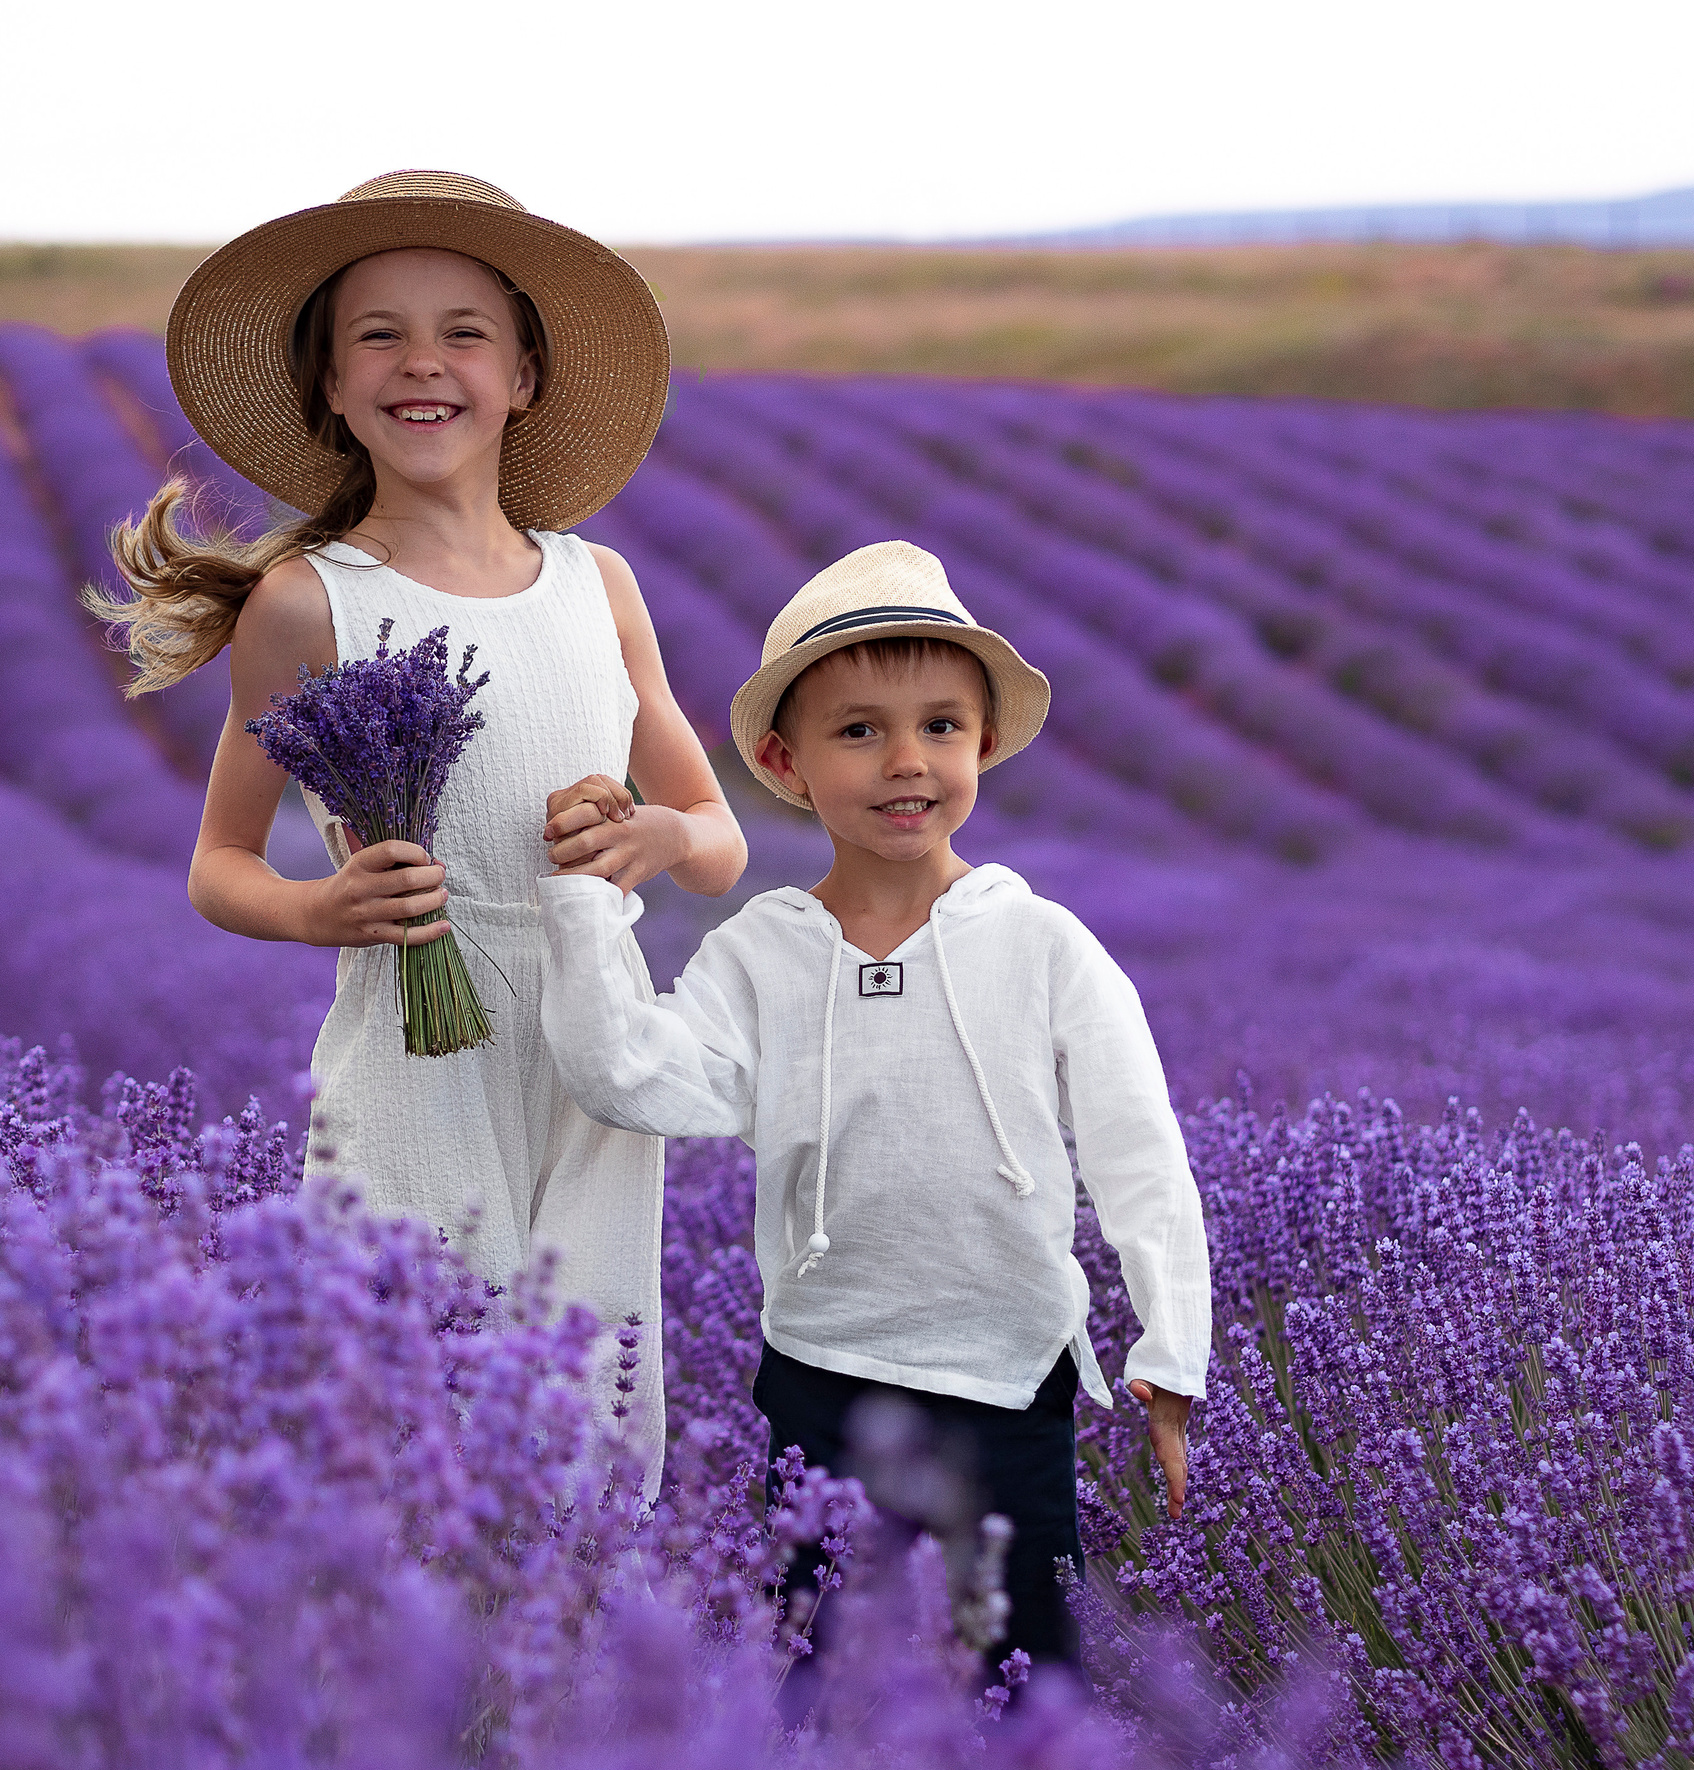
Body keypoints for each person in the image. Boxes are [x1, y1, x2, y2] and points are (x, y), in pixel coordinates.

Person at [95, 172, 747, 1494]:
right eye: (376, 335)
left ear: (522, 373)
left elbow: (721, 831)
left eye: (461, 331)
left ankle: (580, 1694)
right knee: (408, 1413)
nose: (421, 362)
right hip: (411, 1043)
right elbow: (220, 862)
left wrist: (656, 841)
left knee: (591, 1435)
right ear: (329, 387)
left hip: (592, 1052)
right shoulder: (303, 603)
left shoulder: (595, 583)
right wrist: (318, 907)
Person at [537, 541, 1209, 1667]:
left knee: (1025, 1682)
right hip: (823, 1375)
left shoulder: (1044, 946)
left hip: (1009, 1375)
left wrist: (1171, 1349)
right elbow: (628, 1075)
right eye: (859, 730)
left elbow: (1141, 1151)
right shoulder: (761, 955)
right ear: (781, 760)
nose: (908, 760)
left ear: (983, 742)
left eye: (941, 726)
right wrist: (585, 901)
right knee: (821, 1676)